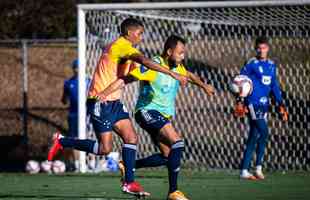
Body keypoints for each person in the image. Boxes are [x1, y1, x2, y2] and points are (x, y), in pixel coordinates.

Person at [47, 18, 188, 196]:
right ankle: (61, 141)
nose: (141, 37)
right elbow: (144, 61)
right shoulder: (121, 45)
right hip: (100, 100)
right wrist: (170, 73)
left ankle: (129, 183)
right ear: (129, 33)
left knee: (131, 137)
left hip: (114, 102)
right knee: (105, 148)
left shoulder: (128, 50)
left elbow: (139, 68)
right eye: (139, 33)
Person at [101, 35, 214, 200]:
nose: (183, 56)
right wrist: (105, 93)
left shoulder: (177, 66)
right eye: (180, 53)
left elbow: (189, 75)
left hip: (162, 116)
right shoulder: (152, 66)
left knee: (167, 156)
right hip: (147, 112)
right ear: (169, 52)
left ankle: (128, 165)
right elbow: (127, 79)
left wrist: (204, 86)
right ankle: (174, 192)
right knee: (177, 142)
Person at [234, 36, 288, 180]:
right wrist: (240, 101)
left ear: (267, 48)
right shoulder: (251, 64)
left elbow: (274, 86)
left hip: (265, 105)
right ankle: (258, 167)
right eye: (259, 48)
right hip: (253, 103)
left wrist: (281, 104)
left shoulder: (271, 65)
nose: (261, 50)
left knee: (254, 136)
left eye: (263, 47)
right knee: (264, 132)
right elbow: (240, 81)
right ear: (255, 49)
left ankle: (244, 171)